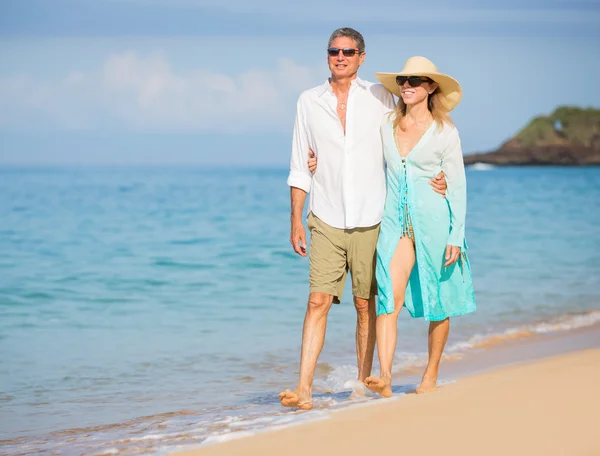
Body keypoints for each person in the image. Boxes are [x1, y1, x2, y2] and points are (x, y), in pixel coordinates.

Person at [280, 29, 447, 410]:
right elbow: (298, 166)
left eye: (348, 52)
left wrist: (436, 174)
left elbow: (411, 134)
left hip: (373, 215)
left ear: (362, 57)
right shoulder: (308, 101)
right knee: (317, 300)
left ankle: (360, 384)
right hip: (324, 215)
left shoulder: (379, 96)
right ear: (327, 56)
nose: (340, 57)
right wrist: (294, 220)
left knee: (363, 303)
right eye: (333, 51)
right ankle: (304, 388)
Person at [308, 56, 476, 396]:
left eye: (416, 80)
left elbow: (457, 186)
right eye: (403, 80)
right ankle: (384, 376)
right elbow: (351, 150)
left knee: (439, 302)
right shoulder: (385, 125)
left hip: (435, 225)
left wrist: (456, 235)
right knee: (388, 299)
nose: (407, 85)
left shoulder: (445, 132)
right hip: (395, 225)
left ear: (430, 87)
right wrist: (317, 161)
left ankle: (430, 373)